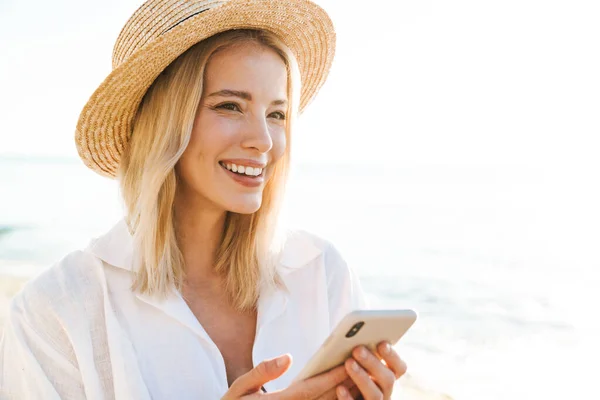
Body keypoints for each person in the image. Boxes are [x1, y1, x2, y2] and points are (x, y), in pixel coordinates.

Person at [0, 0, 407, 398]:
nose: (263, 140)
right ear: (164, 123)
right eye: (230, 106)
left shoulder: (322, 274)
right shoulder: (55, 312)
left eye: (277, 114)